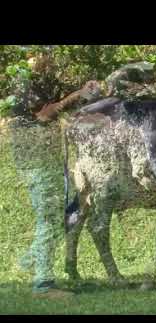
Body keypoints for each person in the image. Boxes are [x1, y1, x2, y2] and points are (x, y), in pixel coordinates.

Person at [9, 52, 98, 299]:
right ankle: (43, 285)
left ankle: (31, 260)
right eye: (44, 52)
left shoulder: (40, 79)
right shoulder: (23, 82)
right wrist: (75, 98)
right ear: (30, 54)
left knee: (70, 212)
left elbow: (59, 105)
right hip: (36, 162)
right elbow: (45, 115)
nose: (50, 57)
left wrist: (82, 93)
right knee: (50, 218)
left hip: (49, 160)